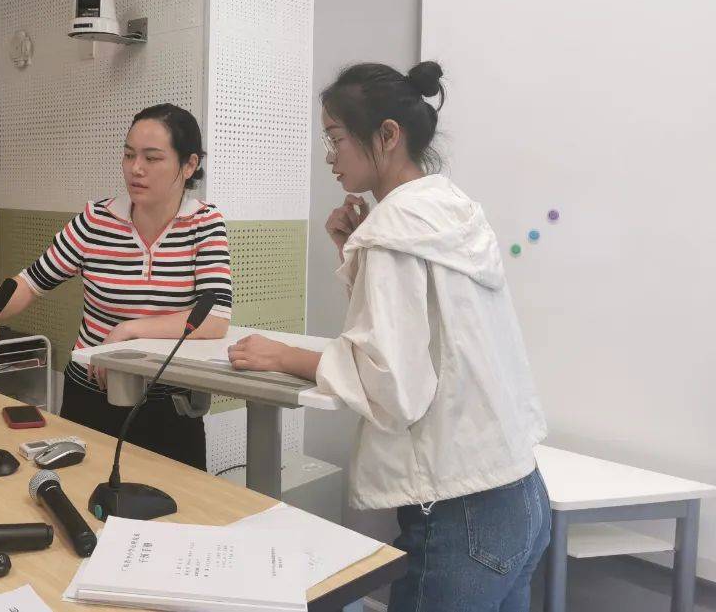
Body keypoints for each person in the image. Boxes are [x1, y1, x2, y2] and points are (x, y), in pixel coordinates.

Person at [228, 62, 550, 611]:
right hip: (520, 492)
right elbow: (431, 337)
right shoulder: (451, 213)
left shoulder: (392, 235)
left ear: (387, 135)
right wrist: (356, 252)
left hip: (459, 510)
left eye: (335, 138)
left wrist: (285, 355)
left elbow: (393, 383)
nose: (329, 156)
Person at [0, 103, 232, 469]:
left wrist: (129, 330)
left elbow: (214, 318)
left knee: (181, 503)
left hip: (169, 404)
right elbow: (31, 281)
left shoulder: (205, 223)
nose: (135, 168)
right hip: (90, 396)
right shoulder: (96, 220)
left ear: (189, 165)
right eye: (129, 155)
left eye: (152, 158)